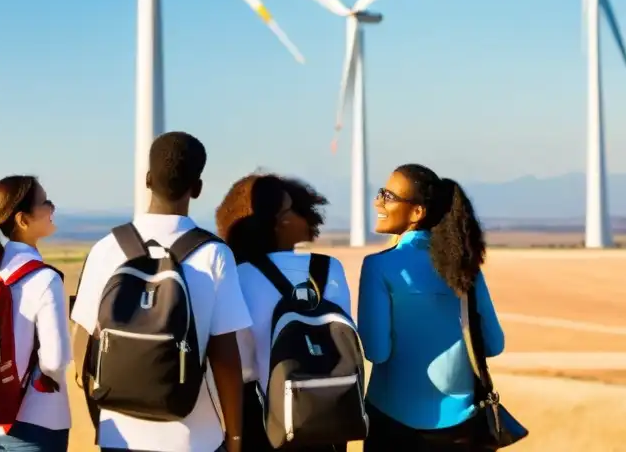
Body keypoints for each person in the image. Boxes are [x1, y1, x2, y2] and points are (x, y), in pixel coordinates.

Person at [70, 131, 251, 452]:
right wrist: (235, 436)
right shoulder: (214, 254)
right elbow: (225, 356)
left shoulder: (106, 248)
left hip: (119, 435)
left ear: (147, 179)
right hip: (194, 438)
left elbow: (83, 349)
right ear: (197, 188)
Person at [358, 164, 505, 452]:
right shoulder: (466, 268)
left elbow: (376, 351)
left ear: (417, 212)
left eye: (388, 196)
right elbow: (494, 344)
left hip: (393, 423)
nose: (378, 202)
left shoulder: (379, 266)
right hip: (462, 427)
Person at [215, 172, 353, 452]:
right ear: (278, 223)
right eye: (295, 209)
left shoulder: (240, 276)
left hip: (266, 421)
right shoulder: (330, 269)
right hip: (329, 415)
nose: (305, 216)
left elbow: (242, 367)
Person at [0, 175, 71, 452]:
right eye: (45, 202)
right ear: (23, 220)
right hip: (37, 421)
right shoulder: (45, 279)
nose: (52, 207)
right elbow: (55, 360)